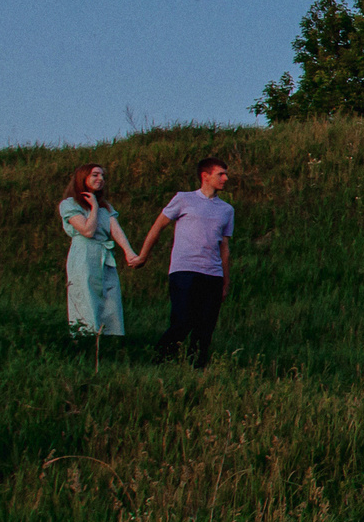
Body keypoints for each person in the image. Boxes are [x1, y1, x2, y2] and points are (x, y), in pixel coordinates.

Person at [136, 156, 235, 368]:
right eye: (221, 174)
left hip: (213, 274)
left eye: (226, 174)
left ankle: (196, 369)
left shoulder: (226, 210)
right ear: (205, 176)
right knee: (182, 321)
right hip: (185, 271)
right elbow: (158, 227)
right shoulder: (184, 199)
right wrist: (143, 256)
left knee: (205, 326)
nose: (226, 178)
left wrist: (225, 282)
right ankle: (160, 362)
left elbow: (224, 248)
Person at [60, 163, 145, 340]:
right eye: (95, 175)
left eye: (102, 176)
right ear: (83, 178)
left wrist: (129, 252)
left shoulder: (105, 206)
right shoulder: (69, 204)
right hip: (84, 256)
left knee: (110, 301)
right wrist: (93, 207)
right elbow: (88, 231)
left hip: (104, 257)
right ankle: (86, 341)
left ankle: (110, 343)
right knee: (86, 298)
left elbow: (116, 230)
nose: (100, 179)